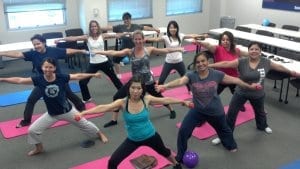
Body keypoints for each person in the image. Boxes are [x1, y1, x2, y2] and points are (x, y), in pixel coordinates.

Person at [155, 51, 261, 164]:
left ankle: (231, 145)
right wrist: (165, 86)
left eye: (203, 61)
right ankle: (180, 155)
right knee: (183, 131)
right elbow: (180, 81)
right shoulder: (191, 75)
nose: (200, 64)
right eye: (198, 62)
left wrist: (249, 86)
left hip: (215, 111)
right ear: (195, 64)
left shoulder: (216, 74)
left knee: (224, 130)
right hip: (197, 110)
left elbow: (236, 80)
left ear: (208, 62)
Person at [75, 75, 189, 169]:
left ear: (142, 90)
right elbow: (103, 107)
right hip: (133, 140)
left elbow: (165, 99)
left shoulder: (147, 99)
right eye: (133, 88)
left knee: (164, 152)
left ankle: (176, 164)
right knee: (112, 162)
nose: (135, 91)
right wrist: (83, 113)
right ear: (128, 88)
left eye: (138, 88)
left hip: (151, 135)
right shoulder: (122, 102)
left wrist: (182, 101)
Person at [0, 58, 108, 156]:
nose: (48, 69)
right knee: (32, 130)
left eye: (50, 67)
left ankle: (100, 134)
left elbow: (77, 76)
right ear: (42, 68)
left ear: (54, 68)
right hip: (52, 114)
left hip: (68, 112)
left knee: (84, 124)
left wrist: (92, 75)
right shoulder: (39, 80)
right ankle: (39, 148)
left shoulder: (61, 77)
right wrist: (2, 79)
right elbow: (20, 80)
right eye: (45, 67)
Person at [208, 41, 300, 144]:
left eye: (257, 49)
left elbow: (279, 67)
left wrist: (290, 72)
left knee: (260, 112)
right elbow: (226, 63)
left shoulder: (266, 62)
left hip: (258, 94)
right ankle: (224, 135)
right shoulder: (242, 61)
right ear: (248, 51)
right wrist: (210, 65)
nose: (254, 51)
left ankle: (263, 125)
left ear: (260, 51)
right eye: (252, 49)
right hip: (241, 92)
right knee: (231, 113)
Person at [92, 30, 184, 127]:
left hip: (148, 81)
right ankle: (114, 120)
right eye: (136, 39)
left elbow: (166, 50)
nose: (138, 41)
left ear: (143, 40)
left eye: (140, 39)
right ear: (133, 40)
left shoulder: (148, 50)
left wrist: (178, 49)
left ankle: (171, 110)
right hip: (135, 83)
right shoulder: (130, 52)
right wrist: (98, 52)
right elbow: (113, 52)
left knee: (159, 97)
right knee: (117, 97)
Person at [0, 34, 87, 128]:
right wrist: (1, 53)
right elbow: (17, 54)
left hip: (59, 79)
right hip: (42, 81)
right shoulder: (33, 54)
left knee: (69, 94)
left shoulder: (53, 50)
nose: (36, 46)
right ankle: (26, 121)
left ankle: (82, 108)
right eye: (34, 45)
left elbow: (68, 51)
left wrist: (81, 50)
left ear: (44, 43)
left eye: (38, 44)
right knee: (31, 100)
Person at [55, 20, 123, 102]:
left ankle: (123, 93)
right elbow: (73, 38)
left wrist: (129, 34)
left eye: (95, 26)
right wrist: (61, 39)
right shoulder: (87, 37)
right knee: (82, 82)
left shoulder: (103, 35)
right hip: (93, 64)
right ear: (90, 28)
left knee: (115, 79)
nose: (94, 28)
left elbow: (116, 35)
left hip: (105, 62)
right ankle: (87, 98)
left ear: (98, 27)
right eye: (92, 26)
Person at [146, 20, 207, 93]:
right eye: (171, 28)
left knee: (185, 78)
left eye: (174, 27)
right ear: (168, 29)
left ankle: (190, 90)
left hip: (179, 62)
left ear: (177, 28)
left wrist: (201, 36)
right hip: (169, 62)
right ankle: (157, 92)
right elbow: (156, 39)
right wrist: (145, 39)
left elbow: (192, 35)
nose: (173, 29)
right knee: (161, 79)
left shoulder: (180, 36)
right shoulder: (166, 37)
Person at [195, 31, 249, 111]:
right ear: (220, 41)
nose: (225, 41)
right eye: (223, 40)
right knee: (211, 96)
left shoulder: (236, 50)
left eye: (227, 40)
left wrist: (256, 53)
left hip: (233, 78)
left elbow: (246, 53)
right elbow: (208, 45)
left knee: (238, 95)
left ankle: (240, 104)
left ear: (231, 41)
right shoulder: (217, 49)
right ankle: (203, 110)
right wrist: (200, 42)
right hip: (220, 78)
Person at [106, 12, 160, 78]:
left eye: (127, 19)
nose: (126, 20)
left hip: (135, 47)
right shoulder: (120, 27)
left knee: (142, 60)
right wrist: (98, 28)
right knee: (115, 59)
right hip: (124, 48)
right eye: (124, 19)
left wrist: (155, 29)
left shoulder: (135, 26)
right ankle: (118, 74)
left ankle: (147, 71)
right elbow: (109, 28)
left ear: (130, 19)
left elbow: (145, 27)